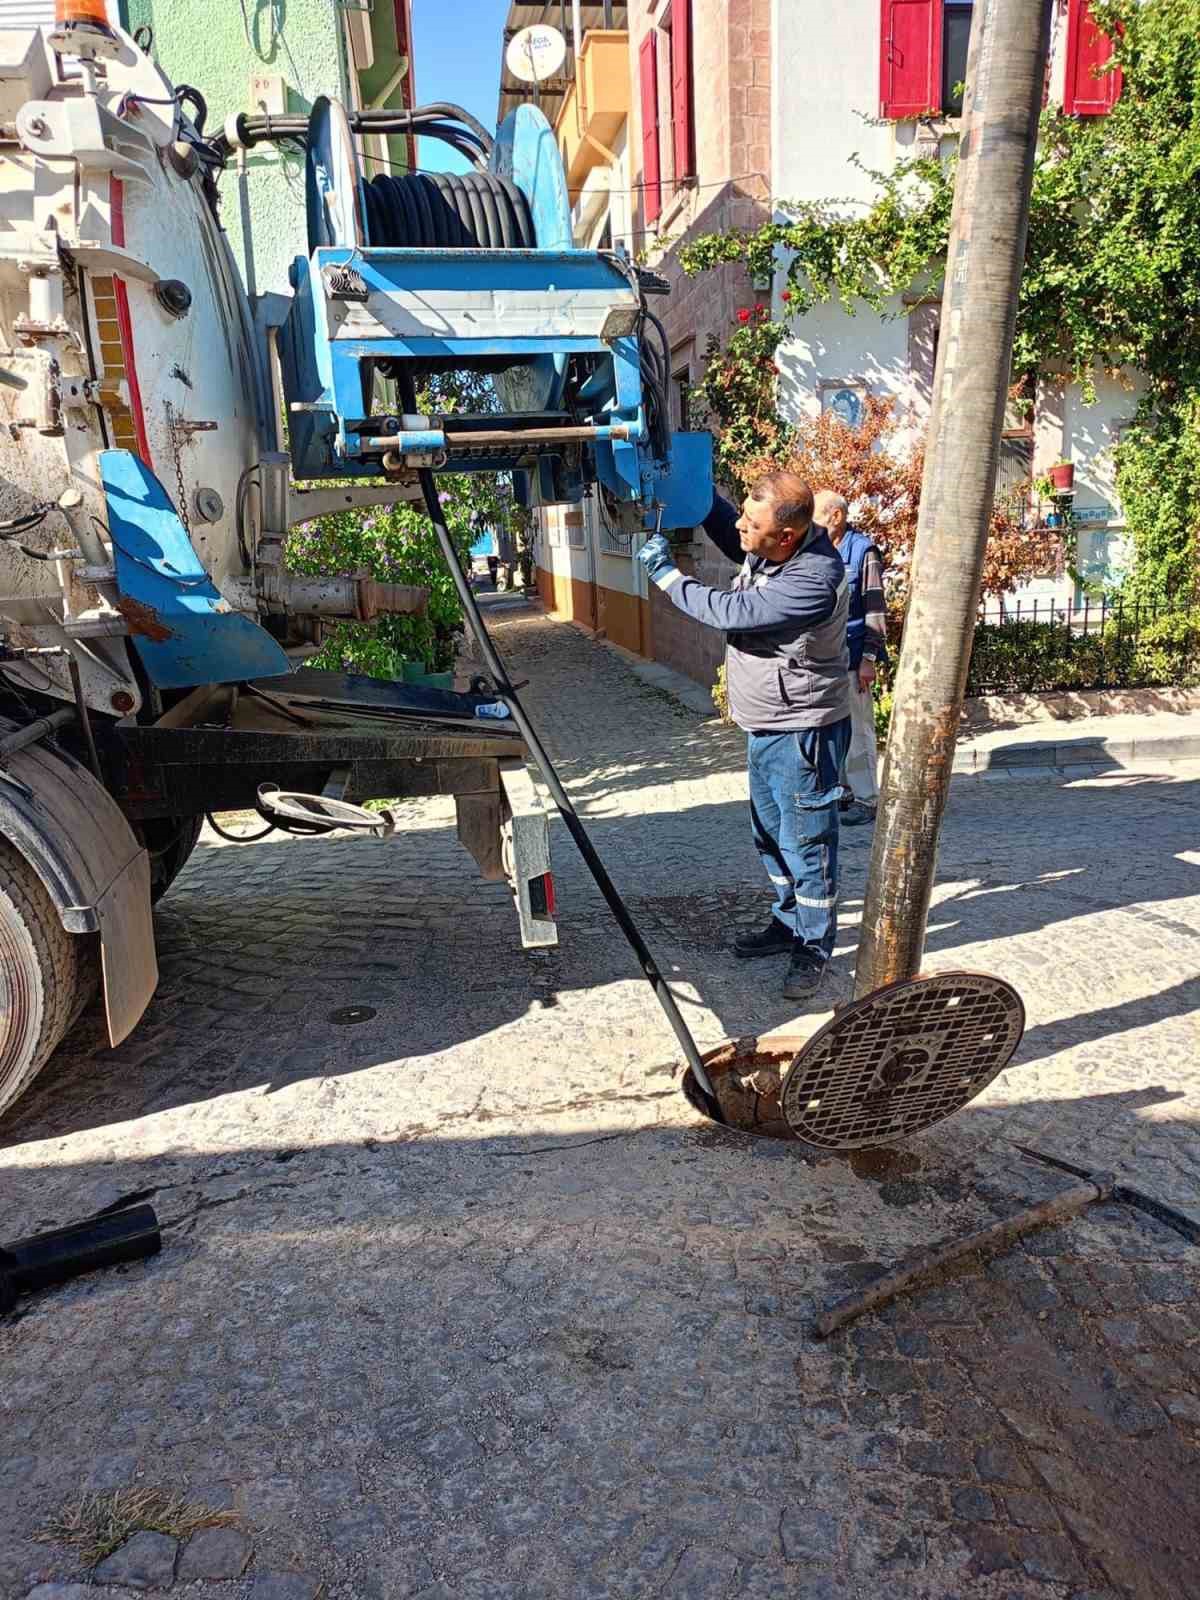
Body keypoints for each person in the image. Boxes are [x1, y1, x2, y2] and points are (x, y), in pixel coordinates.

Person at [636, 473, 851, 1005]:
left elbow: (731, 612)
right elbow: (730, 529)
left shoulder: (812, 579)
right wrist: (689, 483)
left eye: (752, 525)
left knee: (807, 843)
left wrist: (666, 575)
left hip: (804, 731)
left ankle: (815, 946)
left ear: (785, 537)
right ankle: (788, 922)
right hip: (766, 725)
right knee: (770, 834)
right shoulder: (774, 549)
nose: (739, 528)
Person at [812, 491, 887, 826]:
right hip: (825, 659)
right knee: (834, 731)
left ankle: (867, 798)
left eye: (816, 518)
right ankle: (843, 791)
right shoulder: (817, 552)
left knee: (858, 732)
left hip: (855, 656)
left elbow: (874, 607)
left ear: (836, 516)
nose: (810, 526)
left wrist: (868, 658)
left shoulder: (863, 551)